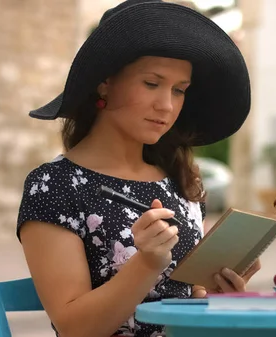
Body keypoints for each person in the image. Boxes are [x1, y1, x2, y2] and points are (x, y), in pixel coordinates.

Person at [16, 1, 260, 336]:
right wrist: (145, 264)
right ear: (105, 83)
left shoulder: (181, 181)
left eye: (179, 90)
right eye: (151, 83)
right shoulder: (54, 186)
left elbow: (189, 298)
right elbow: (74, 329)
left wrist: (218, 297)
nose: (167, 105)